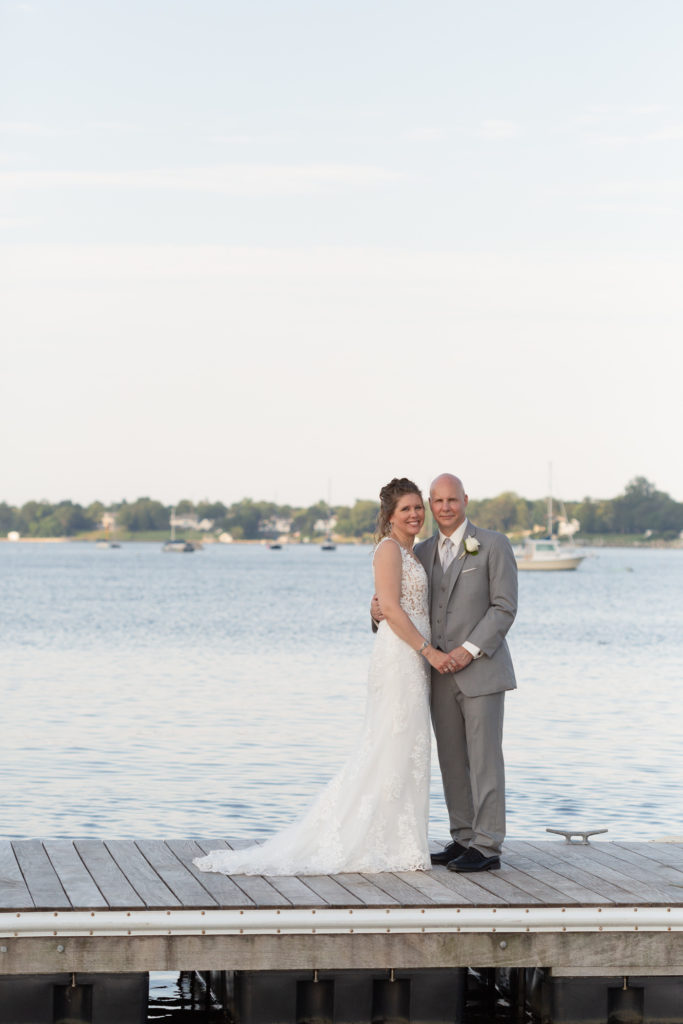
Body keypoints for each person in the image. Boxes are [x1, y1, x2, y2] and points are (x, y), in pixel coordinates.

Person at [193, 477, 451, 877]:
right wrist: (428, 651)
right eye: (407, 509)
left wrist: (385, 617)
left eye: (419, 507)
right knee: (389, 744)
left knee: (406, 750)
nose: (416, 514)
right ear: (390, 515)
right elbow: (394, 610)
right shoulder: (388, 550)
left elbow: (391, 605)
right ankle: (371, 840)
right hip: (402, 657)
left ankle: (399, 842)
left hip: (411, 658)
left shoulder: (411, 552)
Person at [372, 473, 517, 873]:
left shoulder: (493, 545)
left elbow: (504, 608)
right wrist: (375, 610)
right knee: (452, 760)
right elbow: (401, 602)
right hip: (435, 673)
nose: (443, 508)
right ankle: (463, 837)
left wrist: (467, 652)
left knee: (485, 758)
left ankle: (487, 846)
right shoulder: (420, 551)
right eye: (436, 501)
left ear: (465, 500)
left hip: (481, 670)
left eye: (451, 500)